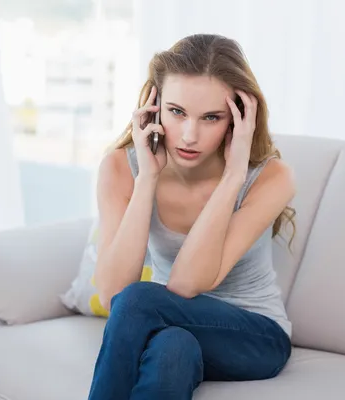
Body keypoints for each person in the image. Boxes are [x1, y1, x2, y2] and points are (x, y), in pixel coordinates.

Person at [88, 33, 297, 400]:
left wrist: (232, 176)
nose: (189, 135)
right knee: (173, 348)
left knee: (139, 301)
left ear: (238, 119)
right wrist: (148, 178)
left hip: (256, 337)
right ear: (154, 106)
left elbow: (185, 285)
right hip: (166, 323)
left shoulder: (270, 177)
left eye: (211, 118)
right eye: (177, 112)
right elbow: (111, 293)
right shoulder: (122, 168)